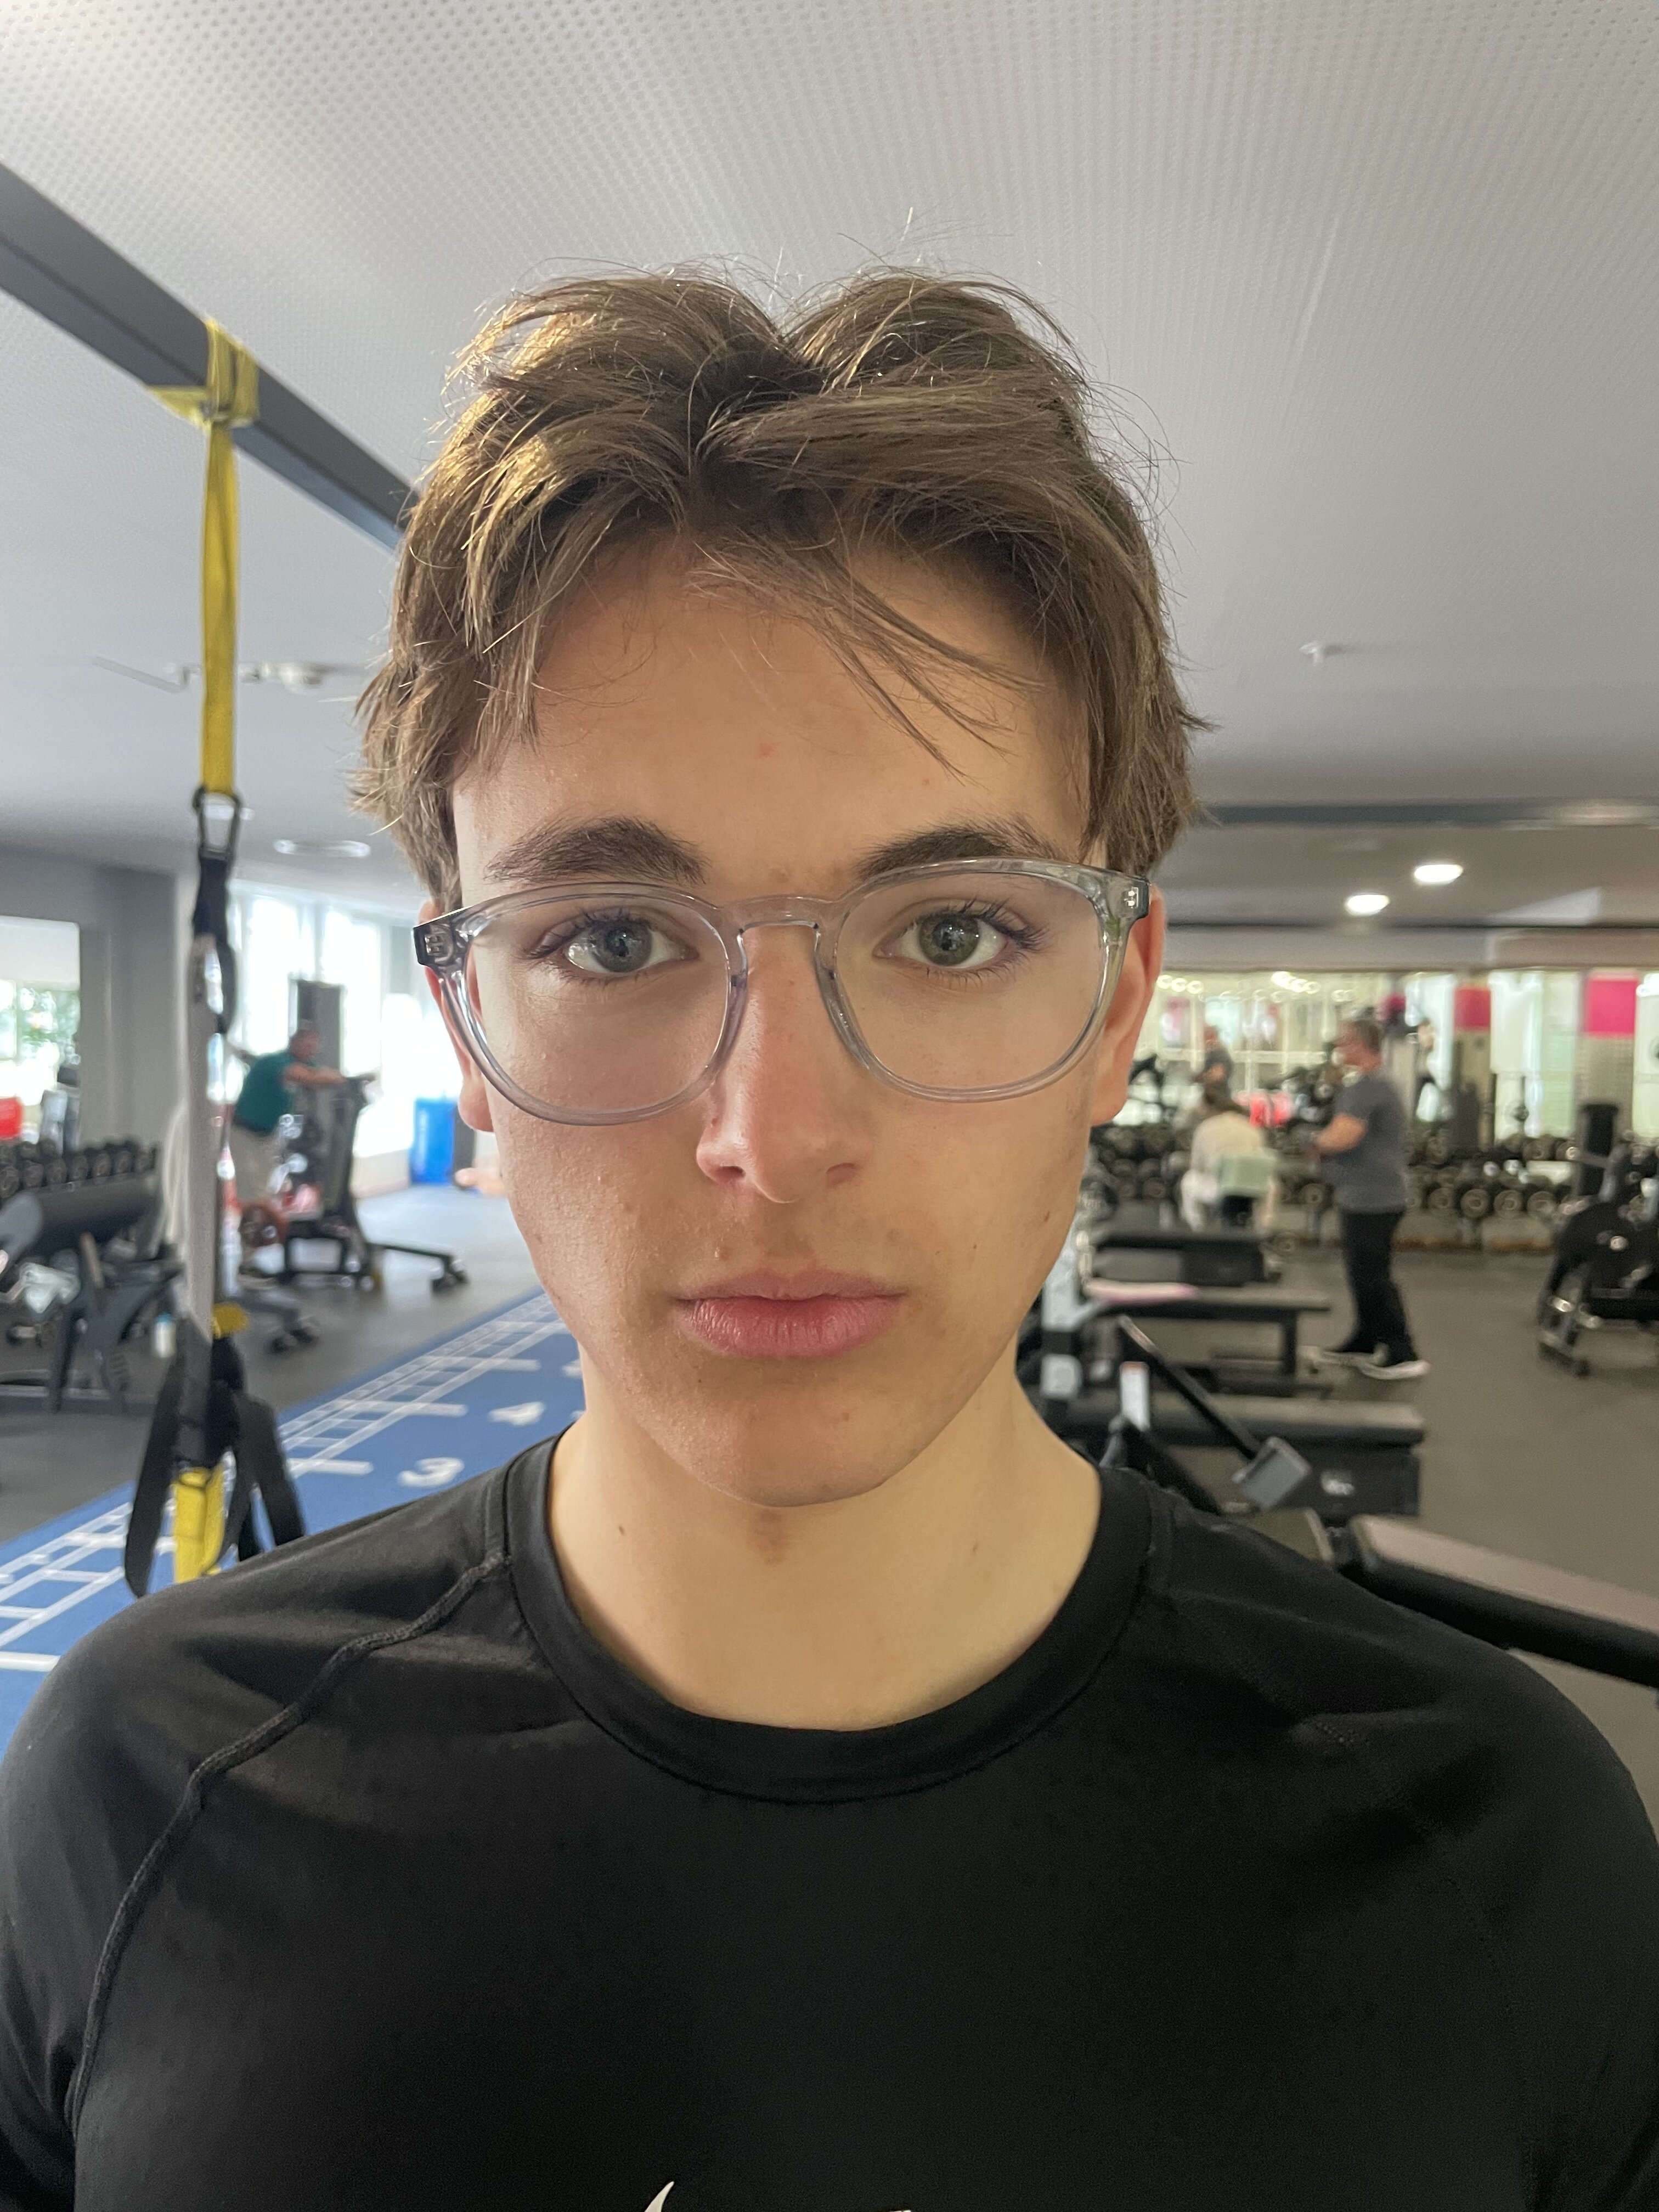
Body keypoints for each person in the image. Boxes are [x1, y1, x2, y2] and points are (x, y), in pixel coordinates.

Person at [2, 274, 1655, 2212]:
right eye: (611, 939)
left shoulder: (1496, 1857)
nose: (773, 1142)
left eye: (952, 931)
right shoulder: (144, 1799)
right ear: (464, 1025)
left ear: (1115, 1004)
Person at [1311, 1015, 1426, 1380]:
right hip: (1365, 1196)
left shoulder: (1369, 1087)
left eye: (1344, 1040)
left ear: (1361, 1044)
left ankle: (1402, 1352)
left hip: (1375, 1198)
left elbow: (1342, 1137)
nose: (1338, 1046)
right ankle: (1365, 1339)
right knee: (1361, 1274)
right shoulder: (1371, 1085)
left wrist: (1312, 1141)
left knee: (1373, 1276)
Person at [225, 1023, 345, 1238]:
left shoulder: (305, 1065)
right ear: (295, 1042)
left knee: (265, 1190)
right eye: (307, 1044)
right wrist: (344, 1079)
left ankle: (258, 1241)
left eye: (314, 1046)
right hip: (244, 1134)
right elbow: (309, 1077)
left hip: (267, 1136)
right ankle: (250, 1244)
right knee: (251, 1193)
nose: (310, 1050)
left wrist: (343, 1078)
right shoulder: (276, 1063)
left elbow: (320, 1073)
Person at [1179, 1080, 1277, 1230]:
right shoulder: (1252, 1129)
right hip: (1251, 1188)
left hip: (1218, 1188)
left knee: (1188, 1181)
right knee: (1271, 1184)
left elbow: (1197, 1166)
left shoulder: (1205, 1128)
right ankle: (1263, 1228)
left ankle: (1198, 1227)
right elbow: (1261, 1163)